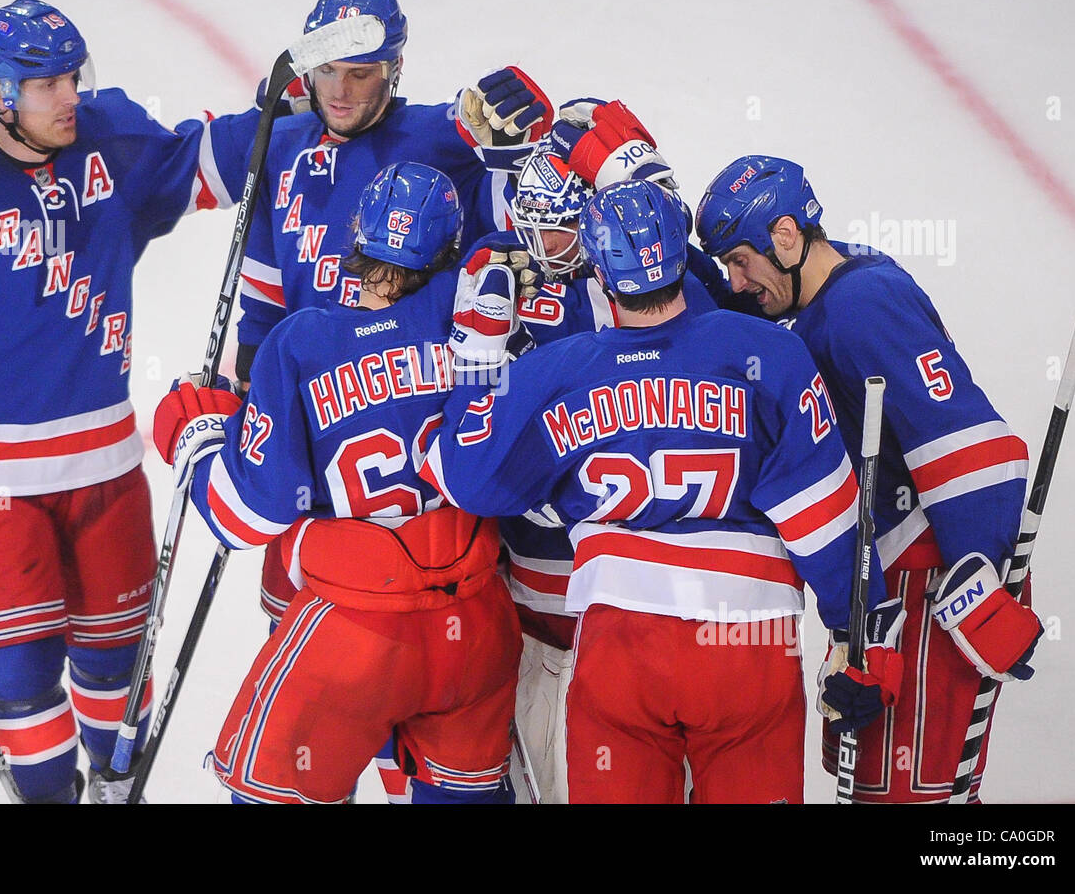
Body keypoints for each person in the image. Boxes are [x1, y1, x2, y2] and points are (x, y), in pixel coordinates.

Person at [0, 0, 268, 803]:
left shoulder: (110, 145)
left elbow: (210, 160)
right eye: (45, 85)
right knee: (22, 681)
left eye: (73, 76)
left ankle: (107, 789)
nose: (69, 95)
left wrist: (288, 106)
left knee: (117, 668)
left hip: (104, 468)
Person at [421, 179, 902, 803]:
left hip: (619, 647)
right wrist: (861, 641)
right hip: (748, 643)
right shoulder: (770, 353)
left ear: (598, 270)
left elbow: (464, 477)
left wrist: (479, 354)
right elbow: (827, 523)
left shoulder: (557, 370)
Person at [154, 162, 521, 803]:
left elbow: (249, 515)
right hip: (477, 623)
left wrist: (195, 440)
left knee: (269, 793)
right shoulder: (477, 313)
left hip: (358, 630)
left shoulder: (302, 345)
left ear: (357, 238)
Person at [695, 156, 1041, 803]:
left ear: (788, 235)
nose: (736, 282)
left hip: (930, 584)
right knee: (882, 783)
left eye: (741, 261)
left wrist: (978, 586)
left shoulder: (862, 303)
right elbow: (719, 311)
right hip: (881, 584)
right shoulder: (826, 283)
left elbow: (972, 445)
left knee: (910, 796)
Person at [472, 98, 754, 802]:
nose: (551, 243)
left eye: (570, 226)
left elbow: (466, 461)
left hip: (621, 623)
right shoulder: (503, 270)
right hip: (570, 612)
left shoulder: (687, 303)